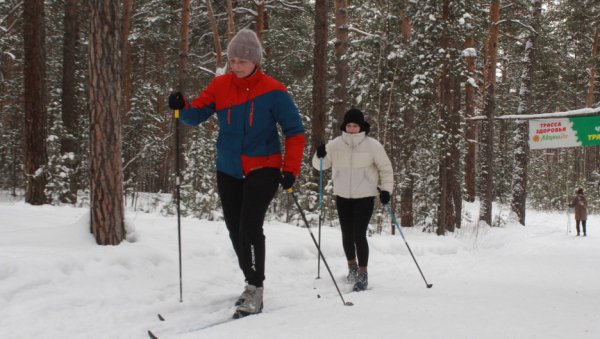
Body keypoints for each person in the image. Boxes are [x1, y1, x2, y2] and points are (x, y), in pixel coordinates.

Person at [168, 29, 305, 317]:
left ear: (255, 61)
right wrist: (181, 108)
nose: (236, 65)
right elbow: (196, 114)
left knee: (249, 225)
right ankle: (250, 281)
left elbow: (295, 131)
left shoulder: (274, 91)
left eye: (242, 61)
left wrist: (290, 168)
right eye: (232, 60)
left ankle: (256, 288)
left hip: (263, 165)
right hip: (228, 166)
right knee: (234, 229)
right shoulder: (220, 85)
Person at [312, 108, 393, 291]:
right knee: (347, 235)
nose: (351, 128)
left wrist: (386, 190)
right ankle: (352, 268)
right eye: (348, 125)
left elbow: (386, 169)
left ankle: (363, 273)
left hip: (365, 196)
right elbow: (320, 166)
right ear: (344, 126)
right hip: (342, 196)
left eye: (355, 125)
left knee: (359, 234)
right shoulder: (335, 144)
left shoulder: (373, 145)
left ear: (361, 126)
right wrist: (320, 155)